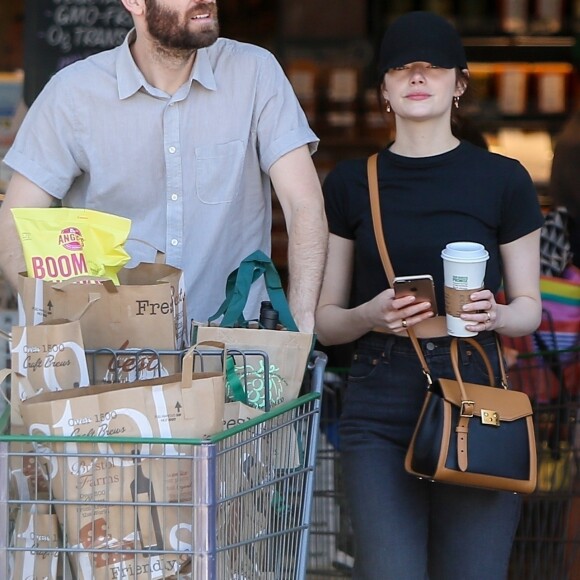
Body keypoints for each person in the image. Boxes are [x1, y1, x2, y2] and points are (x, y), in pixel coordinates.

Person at [314, 11, 543, 580]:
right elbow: (324, 322)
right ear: (385, 89)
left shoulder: (503, 179)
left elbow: (529, 311)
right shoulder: (350, 182)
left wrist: (496, 311)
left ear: (458, 83)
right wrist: (371, 314)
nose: (417, 77)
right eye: (401, 68)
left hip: (475, 386)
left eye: (433, 67)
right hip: (377, 395)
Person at [0, 0, 327, 331]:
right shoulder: (72, 94)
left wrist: (301, 320)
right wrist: (58, 323)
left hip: (235, 354)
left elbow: (303, 203)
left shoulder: (255, 73)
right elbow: (15, 223)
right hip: (112, 356)